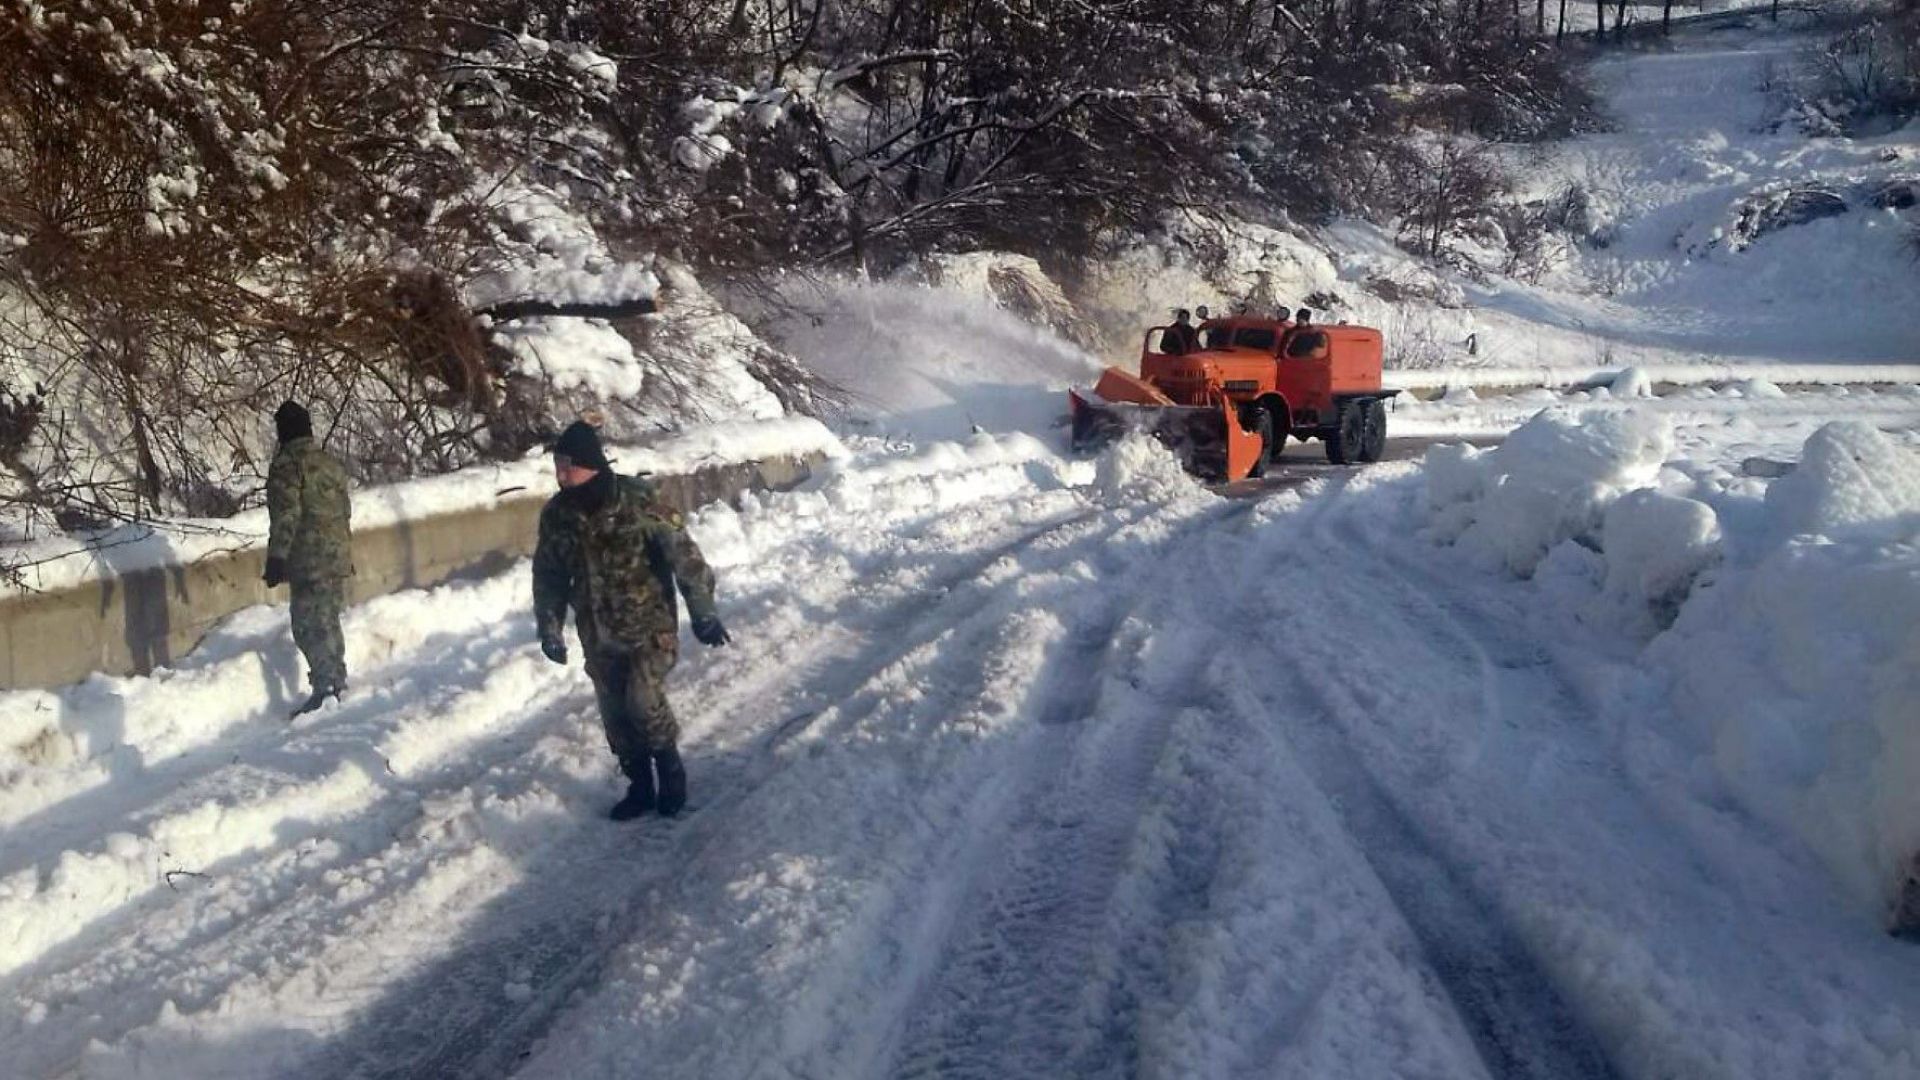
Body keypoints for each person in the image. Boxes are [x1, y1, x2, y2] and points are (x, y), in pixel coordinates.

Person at [532, 420, 729, 820]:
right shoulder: (557, 515)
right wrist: (550, 628)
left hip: (649, 629)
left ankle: (670, 773)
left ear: (590, 463)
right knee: (617, 716)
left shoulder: (640, 500)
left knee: (642, 701)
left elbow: (686, 558)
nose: (561, 473)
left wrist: (703, 613)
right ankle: (639, 786)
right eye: (557, 464)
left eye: (568, 464)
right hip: (598, 634)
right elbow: (548, 575)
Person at [264, 400, 354, 717]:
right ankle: (336, 682)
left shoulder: (288, 466)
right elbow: (345, 509)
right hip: (337, 554)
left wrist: (276, 557)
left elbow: (286, 515)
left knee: (307, 626)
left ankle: (325, 689)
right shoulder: (329, 462)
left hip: (308, 560)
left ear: (282, 431)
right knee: (328, 621)